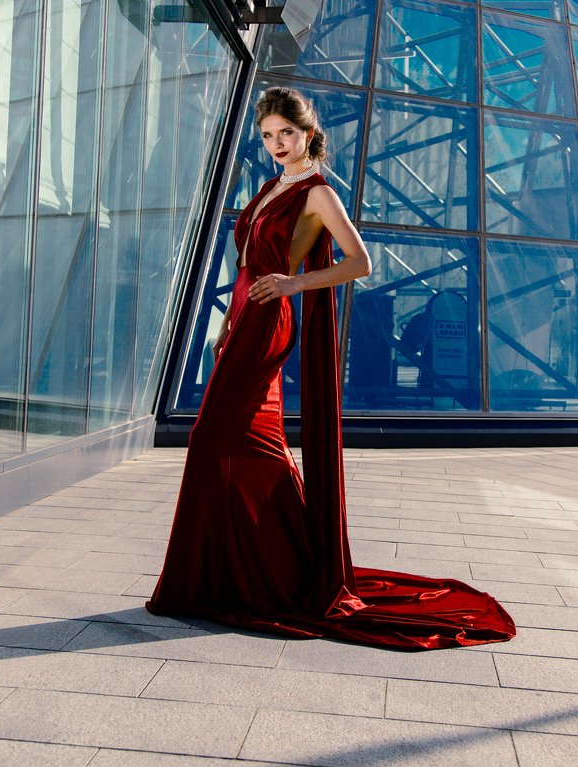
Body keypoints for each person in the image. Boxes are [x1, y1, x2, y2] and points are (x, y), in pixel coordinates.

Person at [146, 86, 515, 650]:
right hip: (243, 317)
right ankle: (262, 566)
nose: (276, 144)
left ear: (308, 133)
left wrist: (295, 282)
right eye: (268, 135)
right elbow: (246, 264)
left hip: (270, 319)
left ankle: (265, 570)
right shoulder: (272, 185)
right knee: (245, 443)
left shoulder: (318, 192)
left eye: (285, 134)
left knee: (212, 438)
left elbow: (359, 262)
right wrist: (225, 324)